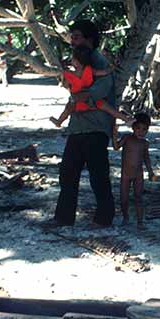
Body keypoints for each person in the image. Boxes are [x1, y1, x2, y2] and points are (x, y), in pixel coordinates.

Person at [50, 20, 117, 228]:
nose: (72, 41)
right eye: (72, 37)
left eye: (76, 37)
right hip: (78, 127)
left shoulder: (100, 64)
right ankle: (63, 219)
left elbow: (95, 94)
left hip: (96, 127)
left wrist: (77, 97)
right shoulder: (78, 62)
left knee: (98, 176)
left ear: (90, 39)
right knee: (67, 173)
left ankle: (104, 219)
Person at [50, 46, 131, 127]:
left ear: (76, 62)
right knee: (109, 108)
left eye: (72, 59)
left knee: (67, 109)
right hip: (92, 99)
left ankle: (59, 121)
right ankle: (126, 119)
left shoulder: (68, 74)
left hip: (76, 101)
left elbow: (65, 85)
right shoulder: (89, 70)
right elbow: (104, 72)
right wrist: (112, 68)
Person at [115, 112, 157, 229]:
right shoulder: (127, 138)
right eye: (138, 128)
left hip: (138, 174)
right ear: (133, 127)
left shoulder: (145, 143)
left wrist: (150, 172)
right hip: (125, 174)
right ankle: (125, 217)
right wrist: (114, 133)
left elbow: (146, 158)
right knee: (124, 198)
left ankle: (140, 222)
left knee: (139, 197)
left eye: (144, 129)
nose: (141, 131)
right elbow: (116, 147)